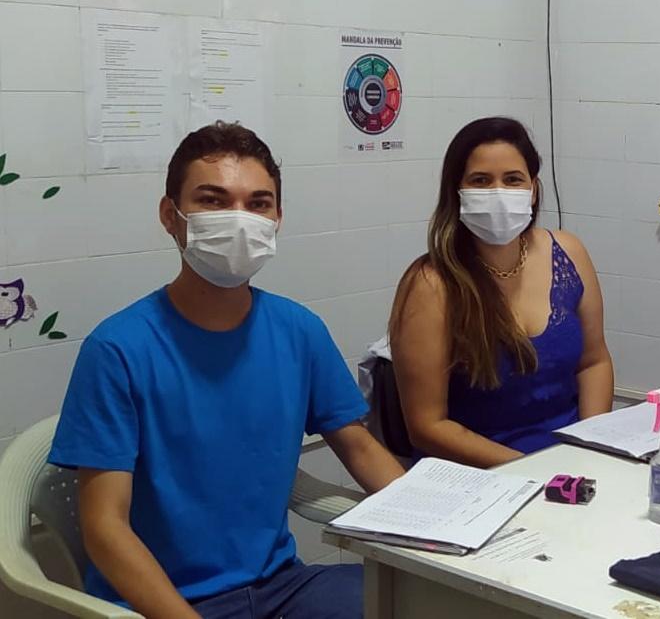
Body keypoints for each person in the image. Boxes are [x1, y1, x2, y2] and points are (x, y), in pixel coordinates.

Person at [49, 122, 404, 619]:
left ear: (277, 218)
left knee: (422, 603)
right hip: (169, 603)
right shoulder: (118, 350)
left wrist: (436, 525)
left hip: (283, 587)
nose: (239, 220)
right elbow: (104, 528)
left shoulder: (298, 330)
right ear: (170, 217)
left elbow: (360, 447)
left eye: (258, 204)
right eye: (213, 201)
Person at [389, 117, 614, 467]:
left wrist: (592, 449)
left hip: (572, 463)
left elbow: (594, 361)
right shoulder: (430, 285)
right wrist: (533, 472)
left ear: (533, 189)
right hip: (480, 473)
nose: (498, 193)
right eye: (481, 181)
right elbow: (427, 426)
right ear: (456, 191)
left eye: (512, 180)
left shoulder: (569, 252)